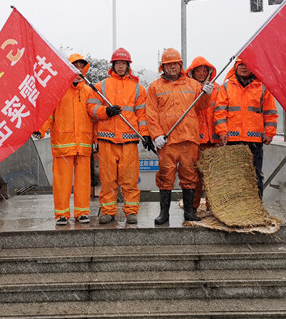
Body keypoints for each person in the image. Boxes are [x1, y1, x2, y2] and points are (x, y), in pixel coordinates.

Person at [86, 48, 153, 225]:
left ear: (128, 65)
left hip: (129, 140)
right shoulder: (102, 86)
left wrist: (145, 135)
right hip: (107, 140)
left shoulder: (138, 89)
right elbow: (91, 109)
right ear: (113, 65)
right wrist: (105, 111)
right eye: (118, 63)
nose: (121, 66)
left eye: (124, 63)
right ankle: (108, 212)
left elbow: (142, 116)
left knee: (130, 180)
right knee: (108, 181)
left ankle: (131, 211)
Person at [147, 48, 213, 225]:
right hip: (167, 142)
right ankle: (164, 214)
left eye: (175, 64)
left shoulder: (192, 85)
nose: (172, 67)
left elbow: (202, 107)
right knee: (165, 176)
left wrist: (206, 94)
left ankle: (190, 212)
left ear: (180, 65)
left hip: (189, 139)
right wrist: (156, 135)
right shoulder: (155, 87)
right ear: (163, 67)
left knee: (190, 176)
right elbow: (151, 114)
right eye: (169, 65)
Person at [38, 54, 96, 225]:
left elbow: (93, 118)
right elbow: (48, 114)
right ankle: (61, 214)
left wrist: (95, 141)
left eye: (80, 67)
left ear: (84, 69)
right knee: (62, 182)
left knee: (83, 182)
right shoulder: (57, 90)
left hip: (84, 145)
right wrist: (40, 130)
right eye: (74, 66)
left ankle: (82, 212)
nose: (77, 70)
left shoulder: (89, 91)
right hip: (62, 144)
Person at [214, 57, 278, 198]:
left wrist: (270, 133)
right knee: (232, 175)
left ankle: (256, 206)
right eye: (240, 64)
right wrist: (222, 132)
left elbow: (271, 113)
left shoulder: (262, 88)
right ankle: (234, 207)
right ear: (235, 67)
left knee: (255, 174)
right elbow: (220, 112)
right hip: (232, 140)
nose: (244, 67)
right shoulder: (226, 86)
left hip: (254, 140)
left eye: (247, 64)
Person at [185, 56, 221, 211]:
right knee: (194, 176)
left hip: (213, 139)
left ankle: (212, 207)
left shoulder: (218, 88)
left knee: (213, 176)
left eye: (204, 70)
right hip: (194, 140)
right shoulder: (188, 89)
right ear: (192, 72)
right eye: (198, 70)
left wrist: (221, 134)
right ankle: (193, 207)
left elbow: (222, 112)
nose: (201, 73)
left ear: (209, 71)